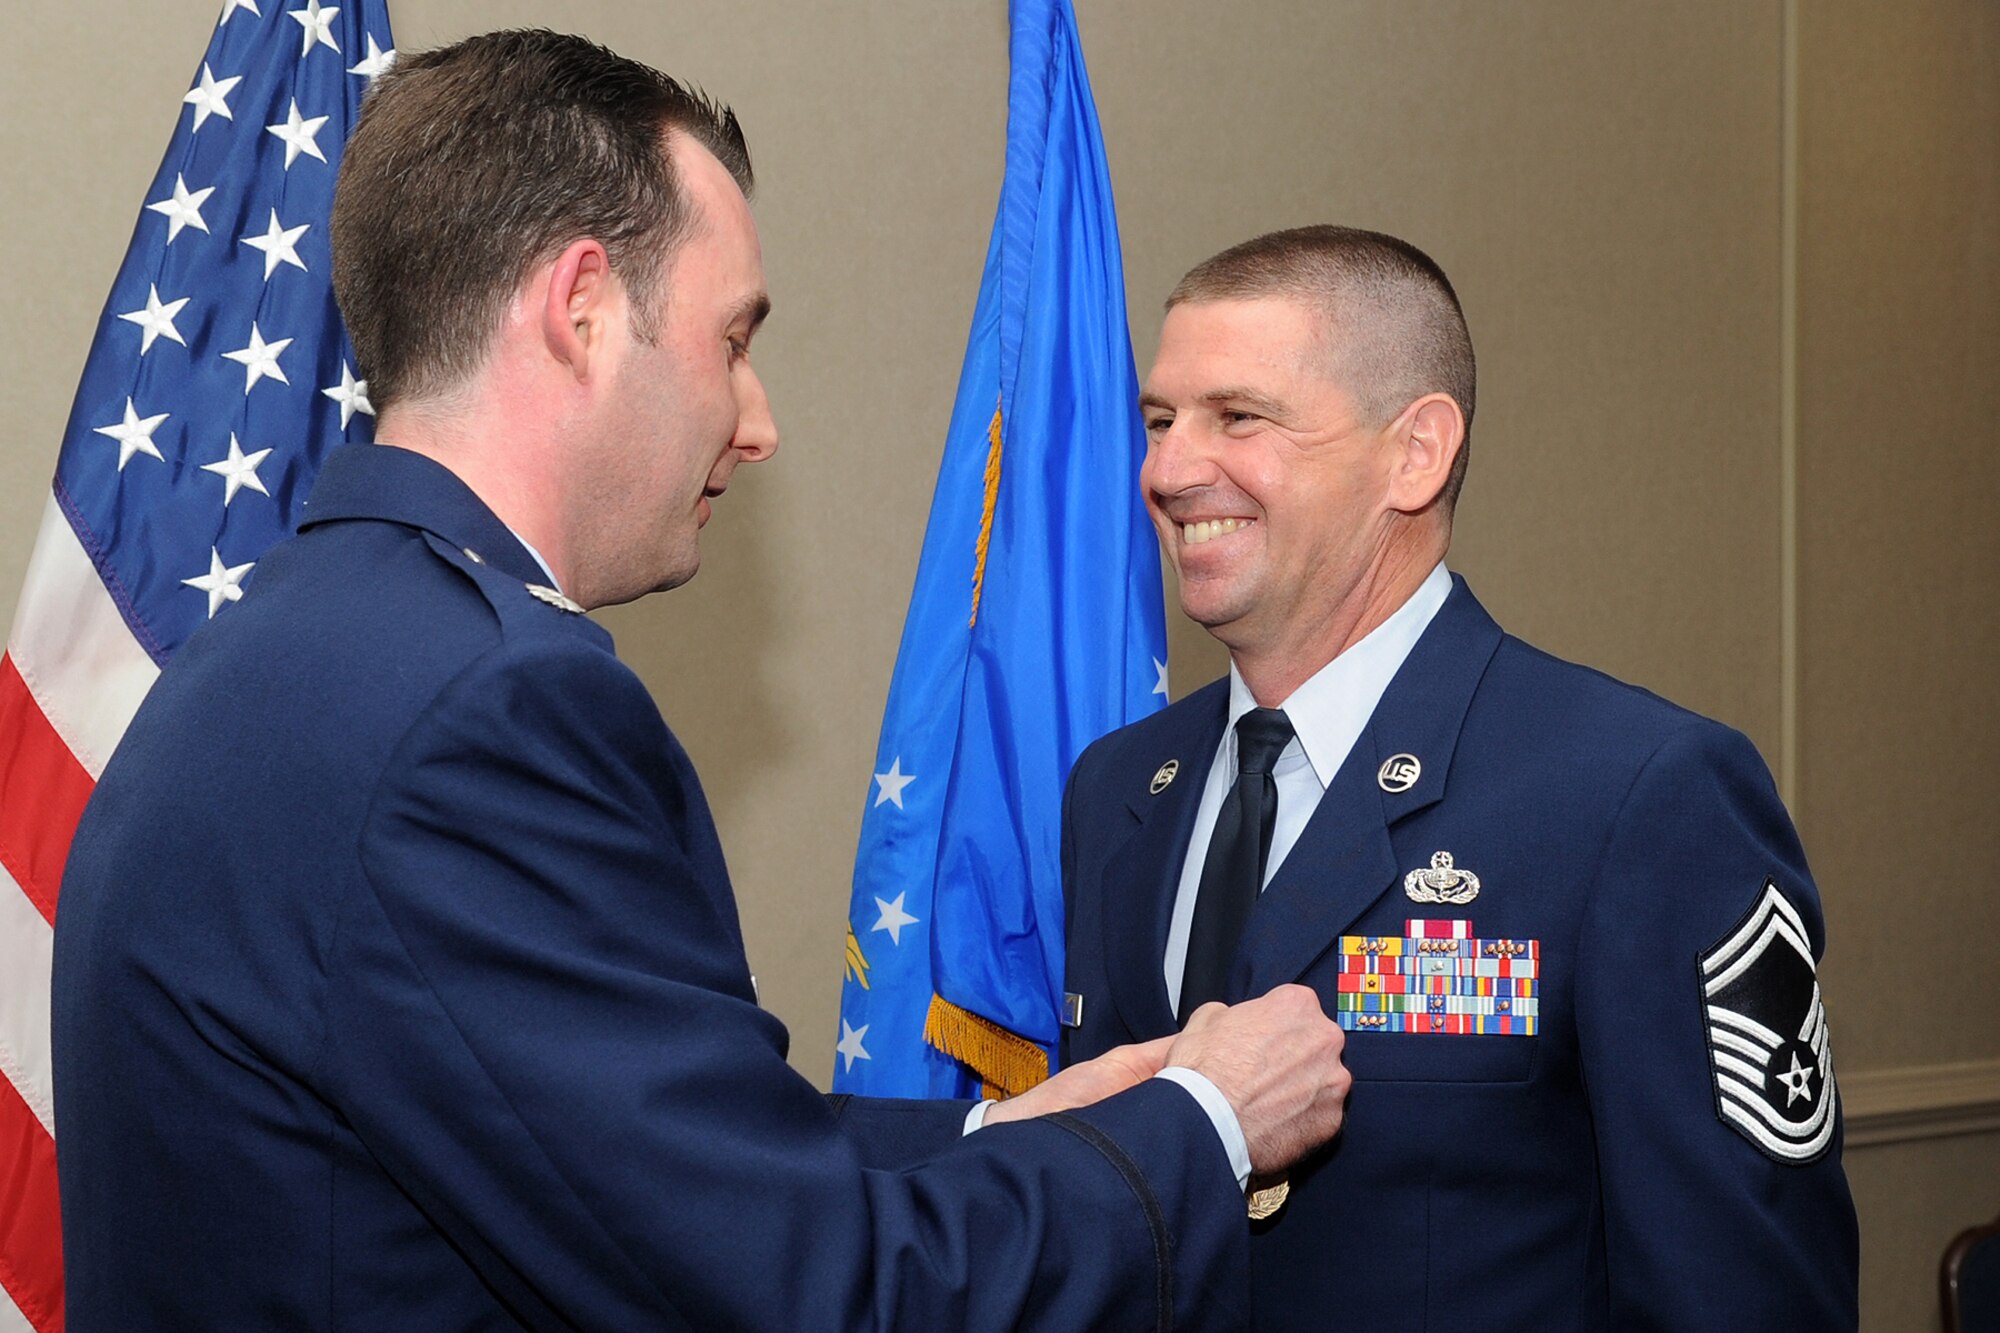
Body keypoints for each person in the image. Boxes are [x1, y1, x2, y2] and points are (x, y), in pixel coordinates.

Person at [51, 32, 1352, 1331]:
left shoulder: (274, 648)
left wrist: (1000, 1125)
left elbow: (621, 1154)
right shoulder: (485, 713)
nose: (758, 420)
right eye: (731, 340)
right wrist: (1204, 1120)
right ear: (581, 310)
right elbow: (815, 1294)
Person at [1058, 225, 1860, 1329]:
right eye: (1159, 422)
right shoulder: (1117, 789)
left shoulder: (1637, 794)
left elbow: (1744, 1293)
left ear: (1416, 452)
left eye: (1237, 417)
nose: (1168, 470)